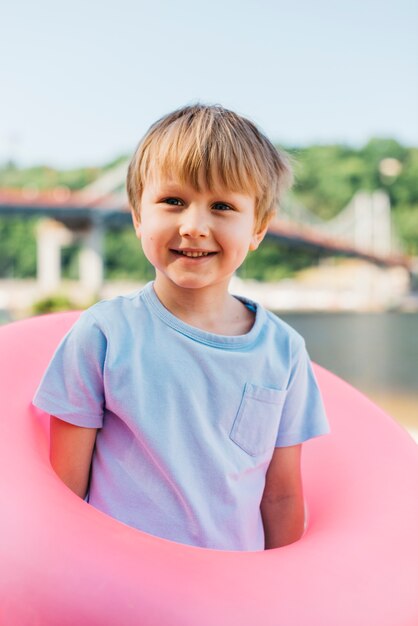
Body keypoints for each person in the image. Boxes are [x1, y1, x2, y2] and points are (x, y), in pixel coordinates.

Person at [33, 104, 329, 551]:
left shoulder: (284, 351)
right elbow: (64, 493)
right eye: (173, 201)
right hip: (121, 594)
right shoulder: (103, 335)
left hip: (229, 599)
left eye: (223, 206)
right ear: (137, 216)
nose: (194, 226)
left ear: (259, 229)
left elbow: (282, 494)